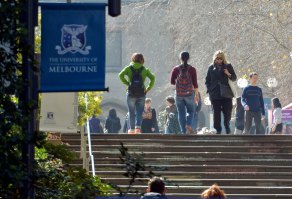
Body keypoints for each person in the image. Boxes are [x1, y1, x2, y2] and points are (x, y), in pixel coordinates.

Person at [119, 53, 155, 134]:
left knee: (131, 112)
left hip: (130, 93)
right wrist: (148, 88)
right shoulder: (145, 69)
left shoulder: (128, 68)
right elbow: (153, 78)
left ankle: (131, 130)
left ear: (133, 59)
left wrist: (127, 83)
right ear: (142, 60)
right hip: (141, 93)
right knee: (139, 112)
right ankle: (138, 128)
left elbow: (120, 75)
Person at [205, 50, 237, 134]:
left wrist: (228, 73)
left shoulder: (228, 66)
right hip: (215, 94)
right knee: (216, 112)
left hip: (226, 93)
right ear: (215, 58)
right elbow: (207, 81)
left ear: (223, 59)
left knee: (228, 111)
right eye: (217, 58)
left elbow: (234, 78)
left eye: (221, 59)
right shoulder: (211, 67)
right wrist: (209, 90)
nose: (219, 60)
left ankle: (226, 124)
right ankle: (218, 129)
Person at [170, 51, 199, 134]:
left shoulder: (175, 69)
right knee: (191, 111)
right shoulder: (192, 69)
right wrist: (196, 95)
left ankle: (183, 131)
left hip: (179, 94)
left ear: (180, 58)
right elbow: (195, 84)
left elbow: (172, 82)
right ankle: (188, 124)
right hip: (189, 94)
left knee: (181, 113)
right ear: (188, 58)